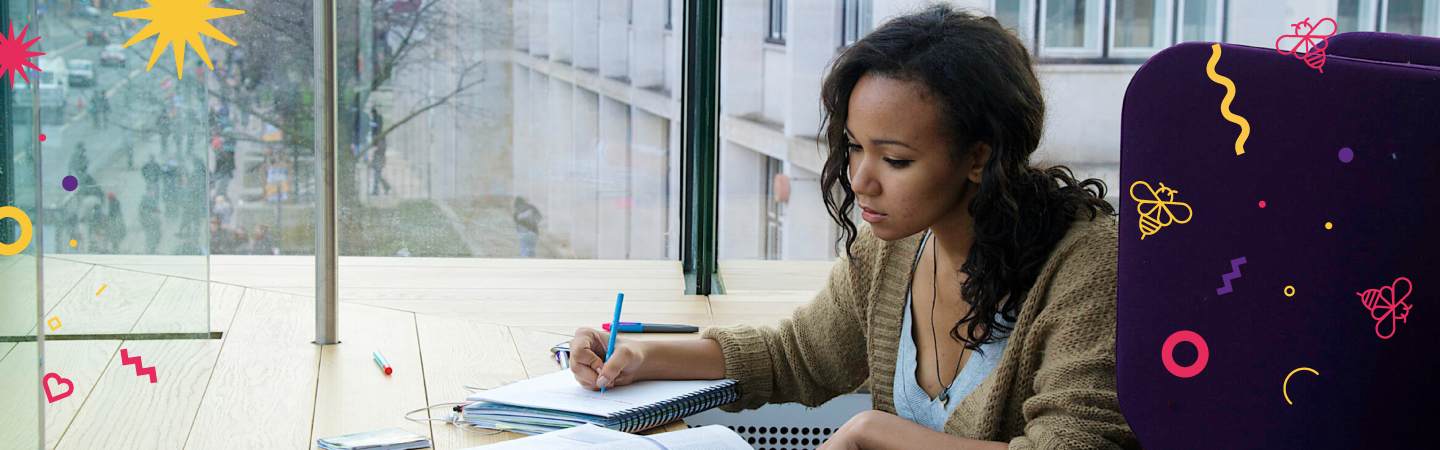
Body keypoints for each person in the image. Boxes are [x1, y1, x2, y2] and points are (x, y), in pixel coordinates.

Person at [567, 6, 1136, 449]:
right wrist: (642, 355)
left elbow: (1077, 444)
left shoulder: (1088, 267)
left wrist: (876, 431)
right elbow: (794, 357)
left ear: (979, 157)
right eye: (855, 147)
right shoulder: (895, 249)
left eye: (895, 160)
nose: (860, 180)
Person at [368, 106, 392, 195]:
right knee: (377, 173)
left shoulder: (380, 136)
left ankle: (376, 190)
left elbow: (381, 148)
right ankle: (384, 187)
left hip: (379, 156)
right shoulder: (378, 136)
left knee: (377, 173)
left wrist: (376, 150)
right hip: (378, 155)